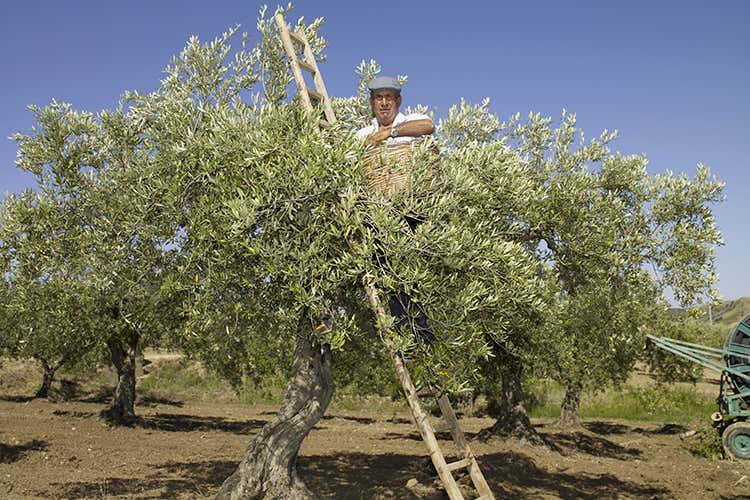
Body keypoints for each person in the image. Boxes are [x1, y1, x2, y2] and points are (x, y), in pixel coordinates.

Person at [356, 76, 436, 347]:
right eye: (379, 98)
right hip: (380, 211)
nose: (384, 102)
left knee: (414, 273)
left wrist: (389, 134)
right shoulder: (360, 135)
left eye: (389, 97)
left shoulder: (410, 121)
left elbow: (429, 126)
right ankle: (406, 343)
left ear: (398, 101)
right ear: (372, 103)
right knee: (388, 276)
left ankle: (423, 341)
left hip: (411, 208)